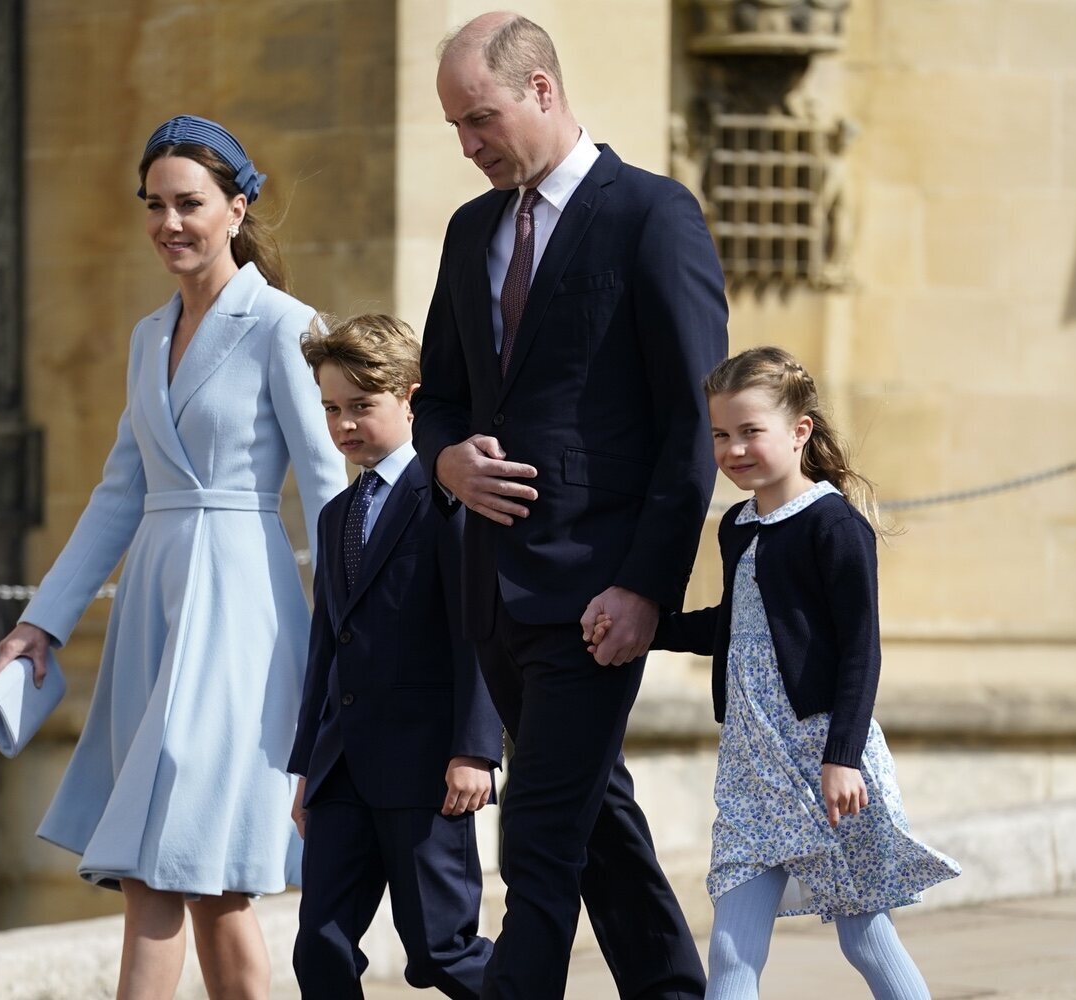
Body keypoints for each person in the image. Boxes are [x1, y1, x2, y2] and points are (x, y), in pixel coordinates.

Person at [0, 115, 346, 1000]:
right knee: (202, 877)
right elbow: (119, 492)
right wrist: (42, 622)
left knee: (171, 865)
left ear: (238, 206)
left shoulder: (284, 326)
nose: (170, 224)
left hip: (241, 612)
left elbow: (329, 487)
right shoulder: (149, 336)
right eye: (156, 206)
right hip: (153, 607)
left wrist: (354, 637)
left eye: (190, 203)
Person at [414, 13, 726, 998]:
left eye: (479, 119)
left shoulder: (650, 215)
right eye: (456, 127)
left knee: (537, 846)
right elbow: (440, 402)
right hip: (492, 598)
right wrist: (446, 463)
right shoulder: (470, 234)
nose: (467, 146)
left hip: (596, 599)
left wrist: (643, 586)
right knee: (595, 822)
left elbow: (691, 422)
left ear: (540, 90)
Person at [597, 346, 960, 999]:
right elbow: (736, 627)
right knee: (733, 956)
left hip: (823, 763)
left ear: (800, 431)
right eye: (720, 435)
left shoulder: (834, 527)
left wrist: (843, 756)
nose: (733, 450)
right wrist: (648, 627)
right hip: (750, 769)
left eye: (750, 432)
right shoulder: (737, 526)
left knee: (865, 938)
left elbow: (859, 651)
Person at [287, 313, 505, 999]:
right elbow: (327, 645)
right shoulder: (335, 515)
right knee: (318, 946)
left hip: (426, 769)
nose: (344, 424)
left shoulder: (449, 499)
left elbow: (476, 629)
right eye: (330, 409)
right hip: (341, 770)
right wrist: (305, 769)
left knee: (440, 951)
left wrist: (476, 748)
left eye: (360, 406)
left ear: (411, 397)